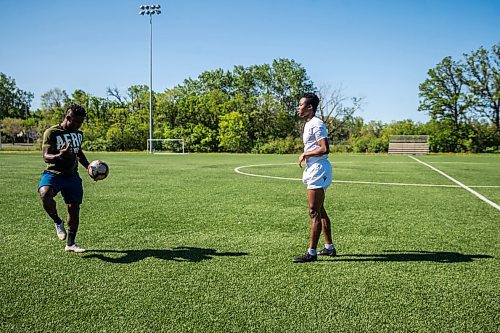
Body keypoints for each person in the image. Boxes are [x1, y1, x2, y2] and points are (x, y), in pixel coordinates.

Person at [38, 104, 90, 253]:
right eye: (76, 122)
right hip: (53, 174)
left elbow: (79, 152)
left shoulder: (78, 134)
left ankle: (71, 244)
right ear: (68, 118)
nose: (78, 125)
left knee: (74, 209)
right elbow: (46, 157)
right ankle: (57, 221)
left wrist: (89, 168)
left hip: (72, 176)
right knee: (44, 194)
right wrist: (61, 155)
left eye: (81, 122)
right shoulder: (52, 132)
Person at [293, 93, 336, 263]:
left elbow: (324, 148)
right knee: (320, 209)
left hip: (318, 169)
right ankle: (329, 247)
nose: (298, 107)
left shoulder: (317, 124)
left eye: (301, 104)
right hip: (315, 169)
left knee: (313, 212)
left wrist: (305, 153)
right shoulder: (309, 124)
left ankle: (311, 253)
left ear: (309, 107)